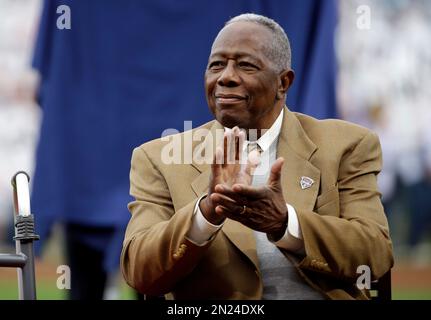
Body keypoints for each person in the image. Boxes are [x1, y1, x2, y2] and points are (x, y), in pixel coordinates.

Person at [121, 13, 394, 300]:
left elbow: (374, 254)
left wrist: (286, 224)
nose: (225, 77)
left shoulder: (346, 145)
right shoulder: (158, 158)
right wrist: (204, 215)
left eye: (245, 66)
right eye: (216, 65)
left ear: (283, 83)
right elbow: (140, 272)